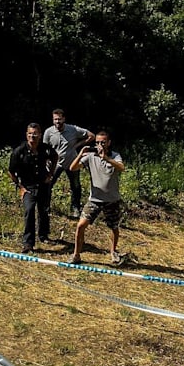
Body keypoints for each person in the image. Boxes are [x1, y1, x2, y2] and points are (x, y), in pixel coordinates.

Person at [69, 128, 125, 265]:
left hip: (112, 199)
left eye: (103, 142)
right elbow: (72, 168)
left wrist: (106, 158)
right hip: (95, 199)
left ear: (109, 143)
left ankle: (113, 252)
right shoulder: (90, 156)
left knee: (114, 227)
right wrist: (81, 153)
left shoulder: (115, 155)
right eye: (98, 142)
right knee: (81, 225)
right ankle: (76, 255)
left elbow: (121, 167)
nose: (100, 145)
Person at [7, 123, 58, 254]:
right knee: (29, 211)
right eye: (30, 134)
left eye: (35, 134)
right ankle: (28, 243)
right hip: (27, 187)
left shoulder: (45, 149)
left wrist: (50, 174)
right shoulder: (19, 151)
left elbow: (55, 157)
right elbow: (11, 171)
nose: (32, 136)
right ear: (26, 135)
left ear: (40, 135)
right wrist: (20, 187)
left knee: (44, 210)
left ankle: (44, 235)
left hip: (43, 184)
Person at [42, 110, 93, 220]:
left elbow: (91, 136)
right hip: (55, 164)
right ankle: (46, 207)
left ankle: (75, 208)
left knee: (75, 186)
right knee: (48, 184)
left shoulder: (73, 129)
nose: (57, 121)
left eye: (59, 119)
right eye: (55, 119)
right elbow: (44, 149)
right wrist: (46, 161)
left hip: (72, 162)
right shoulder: (48, 132)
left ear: (64, 119)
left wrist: (78, 145)